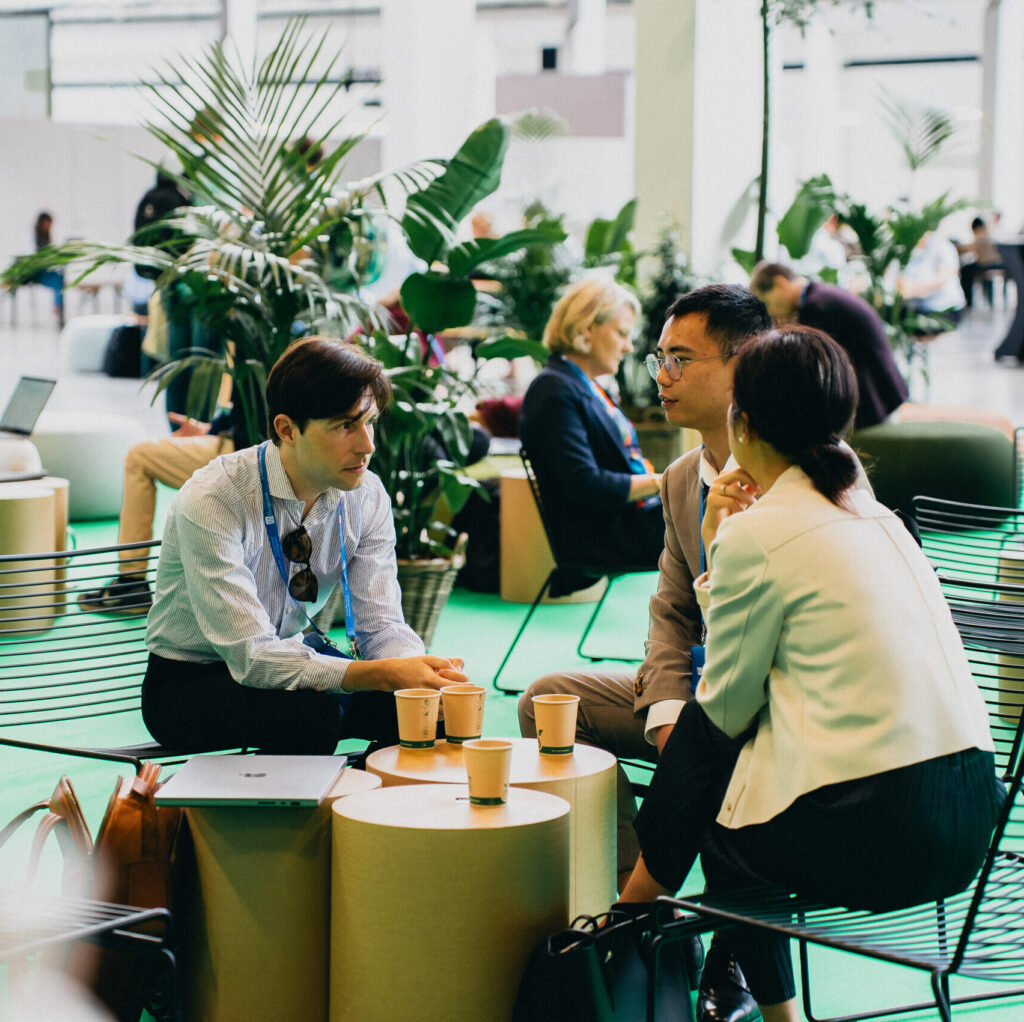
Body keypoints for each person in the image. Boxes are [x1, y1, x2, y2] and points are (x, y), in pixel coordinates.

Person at [618, 326, 1002, 1022]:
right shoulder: (877, 515)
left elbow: (726, 705)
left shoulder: (762, 532)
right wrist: (720, 553)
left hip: (886, 837)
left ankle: (630, 922)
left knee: (716, 804)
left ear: (744, 420)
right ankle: (633, 916)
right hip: (974, 822)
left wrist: (719, 542)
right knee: (724, 764)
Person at [520, 284, 776, 1022]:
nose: (658, 373)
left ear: (743, 367)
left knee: (723, 759)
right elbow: (669, 614)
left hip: (768, 711)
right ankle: (648, 900)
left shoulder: (798, 477)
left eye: (679, 358)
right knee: (546, 701)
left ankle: (733, 944)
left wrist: (695, 729)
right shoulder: (678, 479)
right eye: (658, 354)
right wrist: (667, 715)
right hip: (694, 697)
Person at [141, 336, 467, 754]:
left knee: (426, 711)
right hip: (192, 684)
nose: (367, 444)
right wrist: (382, 676)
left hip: (294, 661)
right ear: (286, 429)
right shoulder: (213, 499)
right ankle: (300, 818)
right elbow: (253, 658)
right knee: (310, 716)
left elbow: (381, 626)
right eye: (346, 425)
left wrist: (419, 674)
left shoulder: (367, 496)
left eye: (370, 422)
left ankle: (372, 809)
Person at [518, 273, 664, 576]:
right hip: (604, 537)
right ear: (585, 328)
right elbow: (583, 484)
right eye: (622, 333)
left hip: (628, 522)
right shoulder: (554, 389)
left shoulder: (585, 386)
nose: (628, 347)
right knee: (715, 517)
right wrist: (666, 483)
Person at [78, 409, 238, 614]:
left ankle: (131, 581)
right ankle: (133, 583)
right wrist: (211, 429)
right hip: (240, 437)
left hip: (246, 444)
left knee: (139, 457)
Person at [749, 262, 907, 429]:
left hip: (872, 405)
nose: (771, 313)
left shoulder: (816, 307)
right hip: (884, 395)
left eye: (767, 303)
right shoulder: (821, 296)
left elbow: (807, 371)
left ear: (780, 283)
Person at [898, 231, 966, 327]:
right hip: (913, 309)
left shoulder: (943, 246)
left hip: (942, 310)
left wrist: (911, 291)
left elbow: (940, 280)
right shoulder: (903, 248)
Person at [958, 216, 1004, 309]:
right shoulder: (990, 234)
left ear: (975, 228)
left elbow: (967, 249)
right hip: (998, 265)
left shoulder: (980, 236)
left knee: (964, 271)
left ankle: (968, 302)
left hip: (985, 266)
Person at [30, 212, 65, 326]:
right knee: (59, 280)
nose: (49, 226)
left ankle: (58, 307)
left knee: (60, 278)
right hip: (34, 272)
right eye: (48, 223)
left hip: (44, 270)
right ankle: (57, 307)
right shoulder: (34, 236)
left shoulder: (47, 237)